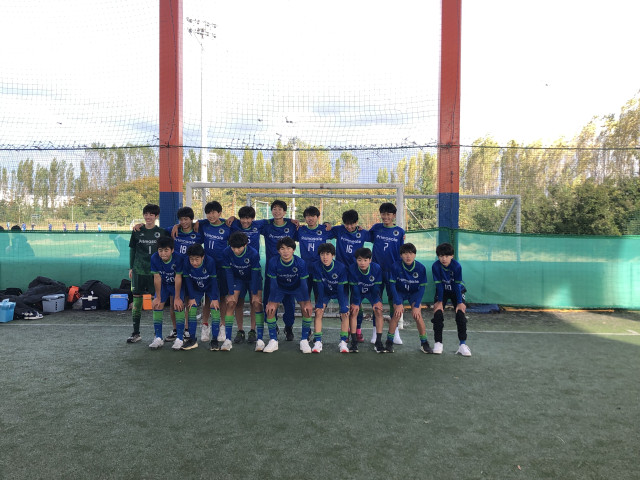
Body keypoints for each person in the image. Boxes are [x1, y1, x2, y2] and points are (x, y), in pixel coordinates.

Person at [264, 237, 313, 353]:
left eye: (288, 248)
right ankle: (273, 340)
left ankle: (304, 340)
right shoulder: (273, 262)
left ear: (293, 250)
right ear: (278, 251)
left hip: (296, 288)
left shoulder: (300, 263)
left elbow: (304, 284)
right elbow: (273, 284)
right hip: (280, 288)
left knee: (307, 310)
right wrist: (271, 301)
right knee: (270, 309)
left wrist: (307, 301)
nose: (285, 251)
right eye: (282, 249)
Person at [126, 204, 165, 344]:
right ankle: (136, 333)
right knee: (137, 302)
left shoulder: (161, 232)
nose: (148, 217)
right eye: (146, 214)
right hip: (139, 270)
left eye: (151, 215)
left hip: (155, 272)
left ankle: (157, 335)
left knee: (156, 301)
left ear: (156, 216)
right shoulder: (137, 231)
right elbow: (132, 250)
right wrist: (131, 267)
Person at [328, 209, 369, 342]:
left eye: (352, 224)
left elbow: (377, 236)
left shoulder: (363, 233)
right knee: (344, 303)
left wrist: (401, 237)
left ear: (357, 222)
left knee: (357, 303)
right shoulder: (339, 230)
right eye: (347, 224)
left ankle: (358, 330)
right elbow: (325, 229)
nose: (349, 226)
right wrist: (326, 223)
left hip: (357, 272)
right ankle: (346, 331)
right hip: (341, 272)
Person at [260, 200, 299, 341]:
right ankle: (273, 324)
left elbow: (308, 230)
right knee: (270, 299)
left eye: (280, 209)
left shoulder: (292, 226)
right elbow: (247, 222)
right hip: (272, 270)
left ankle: (289, 326)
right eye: (274, 209)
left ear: (284, 212)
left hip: (288, 271)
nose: (277, 212)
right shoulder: (266, 225)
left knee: (289, 301)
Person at [368, 202, 405, 345]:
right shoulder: (376, 228)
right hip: (376, 271)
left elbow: (402, 252)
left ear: (394, 215)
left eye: (388, 214)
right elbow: (365, 236)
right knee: (376, 301)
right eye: (383, 214)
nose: (385, 217)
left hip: (392, 272)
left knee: (393, 301)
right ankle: (374, 332)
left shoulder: (399, 232)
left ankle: (394, 332)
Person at [222, 232, 264, 351]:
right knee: (232, 303)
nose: (236, 250)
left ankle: (256, 335)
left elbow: (255, 274)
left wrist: (255, 293)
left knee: (256, 303)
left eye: (239, 248)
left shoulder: (253, 253)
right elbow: (228, 273)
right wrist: (231, 293)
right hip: (237, 279)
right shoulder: (226, 252)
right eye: (233, 247)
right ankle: (231, 337)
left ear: (245, 245)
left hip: (252, 278)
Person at [389, 243, 433, 354]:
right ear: (401, 255)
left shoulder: (420, 268)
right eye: (405, 253)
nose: (408, 256)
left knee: (417, 315)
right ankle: (389, 342)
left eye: (411, 253)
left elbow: (422, 288)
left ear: (415, 255)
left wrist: (417, 305)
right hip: (400, 292)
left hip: (414, 293)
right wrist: (398, 302)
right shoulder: (395, 266)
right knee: (397, 313)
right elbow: (392, 285)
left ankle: (424, 343)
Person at [431, 242, 470, 356]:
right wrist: (439, 302)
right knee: (438, 313)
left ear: (452, 256)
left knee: (460, 314)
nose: (444, 259)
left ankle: (462, 345)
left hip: (456, 290)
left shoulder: (457, 266)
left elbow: (457, 285)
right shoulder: (435, 266)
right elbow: (439, 285)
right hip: (442, 290)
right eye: (441, 256)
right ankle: (438, 343)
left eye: (447, 256)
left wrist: (459, 302)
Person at [311, 243, 350, 353]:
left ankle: (343, 342)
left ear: (333, 255)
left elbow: (341, 289)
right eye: (322, 254)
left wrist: (343, 306)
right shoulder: (316, 266)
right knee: (318, 311)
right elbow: (319, 286)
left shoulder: (341, 267)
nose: (325, 257)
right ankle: (318, 341)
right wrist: (320, 304)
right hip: (325, 293)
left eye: (328, 254)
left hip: (340, 292)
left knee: (345, 313)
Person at [148, 236, 185, 350]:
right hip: (164, 285)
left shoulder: (179, 258)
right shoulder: (154, 258)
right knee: (157, 305)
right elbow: (157, 278)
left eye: (166, 250)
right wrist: (158, 297)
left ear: (172, 250)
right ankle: (158, 338)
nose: (163, 253)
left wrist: (177, 297)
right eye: (160, 250)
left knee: (178, 306)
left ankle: (180, 338)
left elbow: (178, 278)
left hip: (176, 286)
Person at [348, 247, 386, 353]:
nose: (362, 263)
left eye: (365, 260)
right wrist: (356, 302)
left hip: (372, 292)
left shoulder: (376, 268)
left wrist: (376, 301)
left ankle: (378, 342)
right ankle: (354, 342)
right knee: (354, 311)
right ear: (356, 260)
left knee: (378, 311)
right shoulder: (352, 268)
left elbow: (377, 287)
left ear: (370, 260)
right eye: (359, 260)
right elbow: (354, 288)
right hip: (358, 292)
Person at [183, 244, 219, 351]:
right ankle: (192, 339)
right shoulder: (186, 262)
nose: (194, 262)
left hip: (210, 287)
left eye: (197, 259)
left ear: (203, 257)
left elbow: (213, 280)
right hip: (196, 288)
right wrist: (192, 297)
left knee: (215, 309)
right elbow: (188, 281)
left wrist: (214, 298)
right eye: (191, 259)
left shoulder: (210, 262)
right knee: (192, 308)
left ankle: (214, 340)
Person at [296, 206, 333, 304]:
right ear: (305, 218)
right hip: (305, 268)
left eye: (313, 216)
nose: (310, 218)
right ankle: (306, 312)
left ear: (317, 217)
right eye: (308, 216)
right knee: (305, 295)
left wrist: (328, 223)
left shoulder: (324, 229)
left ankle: (319, 311)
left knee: (319, 294)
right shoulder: (300, 230)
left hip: (319, 268)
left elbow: (341, 230)